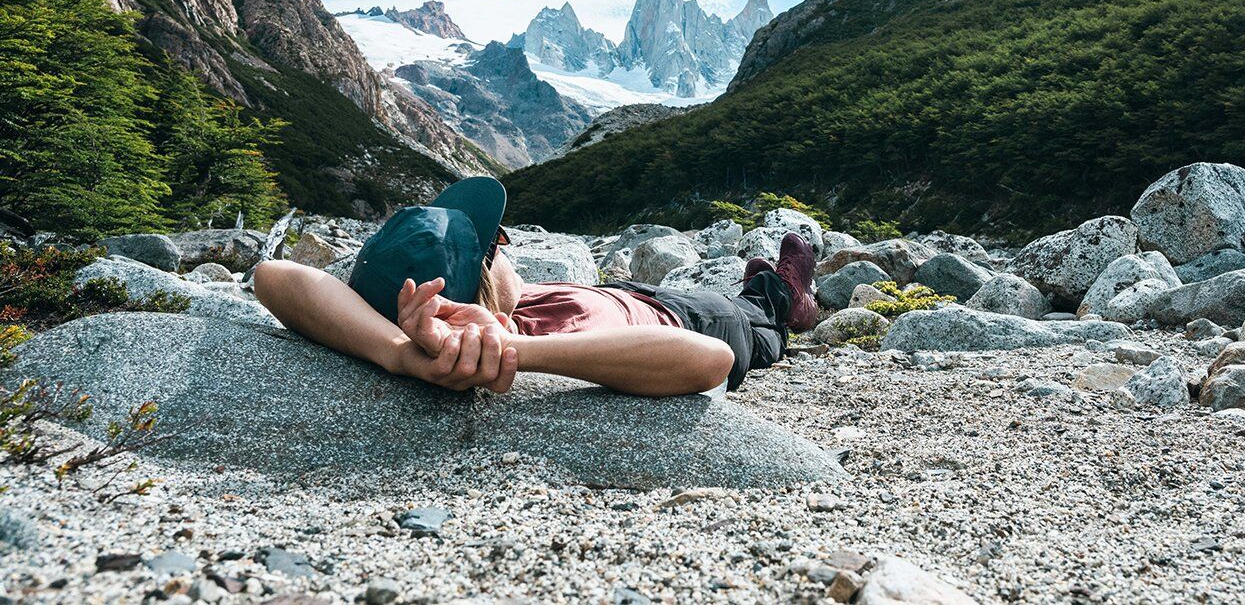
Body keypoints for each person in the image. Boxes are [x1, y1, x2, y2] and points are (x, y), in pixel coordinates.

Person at [252, 177, 820, 397]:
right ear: (480, 281)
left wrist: (397, 352)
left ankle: (766, 286)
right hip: (690, 318)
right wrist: (511, 353)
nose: (508, 247)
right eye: (496, 243)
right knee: (752, 317)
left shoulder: (503, 305)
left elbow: (272, 275)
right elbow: (713, 360)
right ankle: (783, 294)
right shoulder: (524, 342)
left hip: (617, 292)